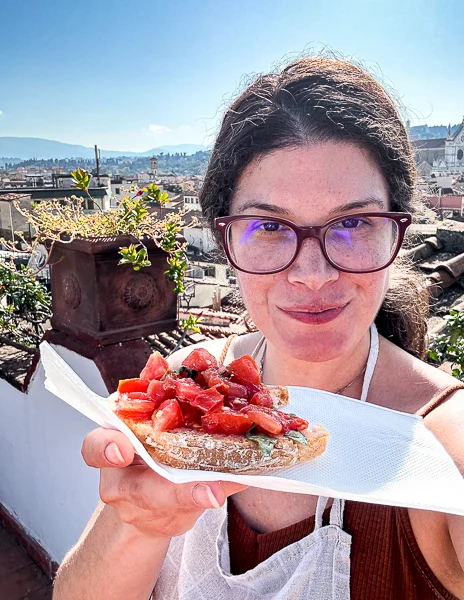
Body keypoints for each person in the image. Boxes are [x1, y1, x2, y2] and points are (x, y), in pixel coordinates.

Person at [53, 56, 464, 600]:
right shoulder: (184, 391)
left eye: (353, 223)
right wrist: (136, 524)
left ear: (398, 233)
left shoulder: (441, 451)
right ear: (226, 243)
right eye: (269, 226)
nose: (313, 275)